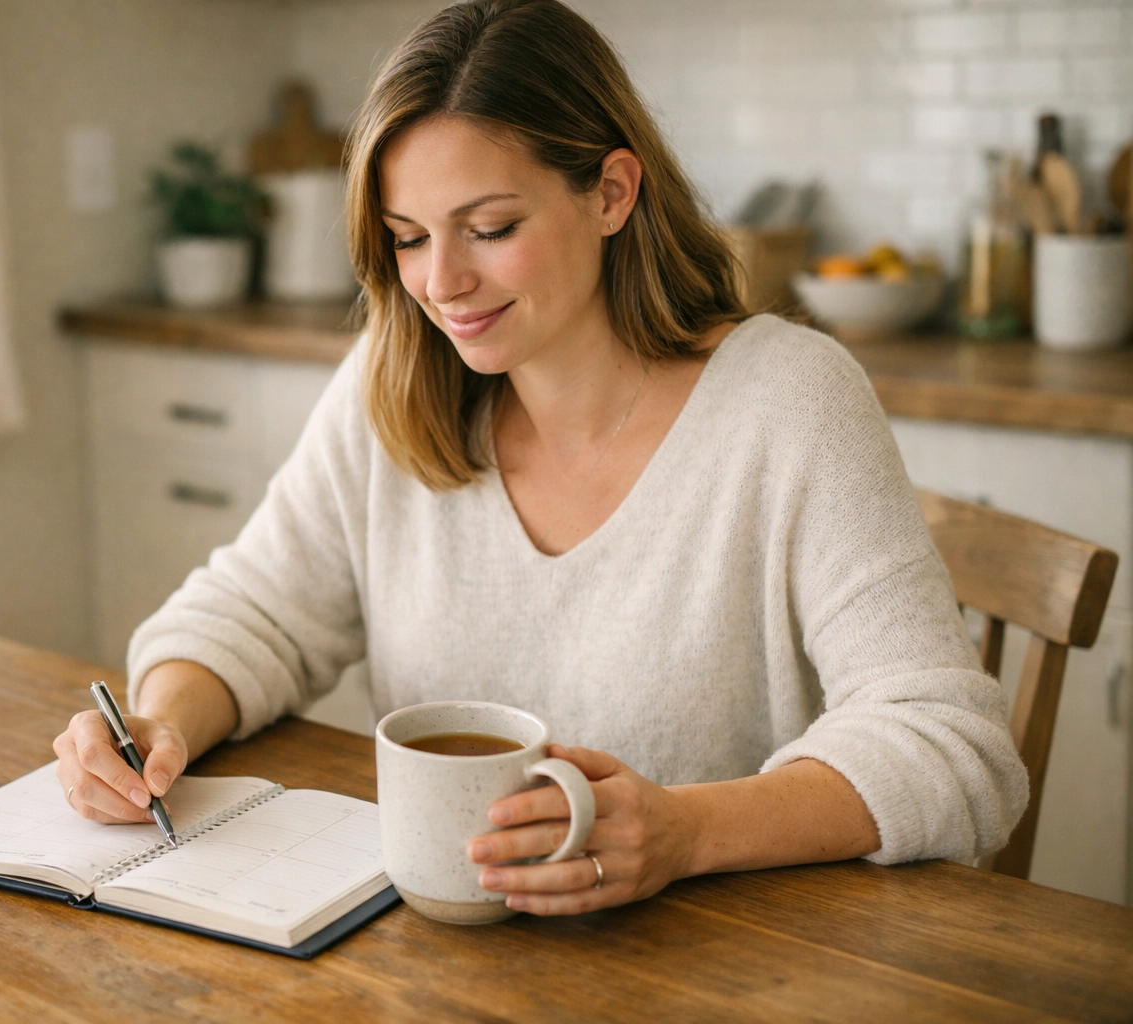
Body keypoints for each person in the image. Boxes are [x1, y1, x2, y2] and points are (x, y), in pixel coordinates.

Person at [55, 0, 1026, 916]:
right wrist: (162, 723)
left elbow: (953, 743)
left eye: (491, 228)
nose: (443, 283)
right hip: (446, 955)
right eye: (408, 239)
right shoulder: (394, 381)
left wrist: (687, 830)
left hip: (732, 967)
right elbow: (253, 610)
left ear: (611, 192)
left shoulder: (789, 398)